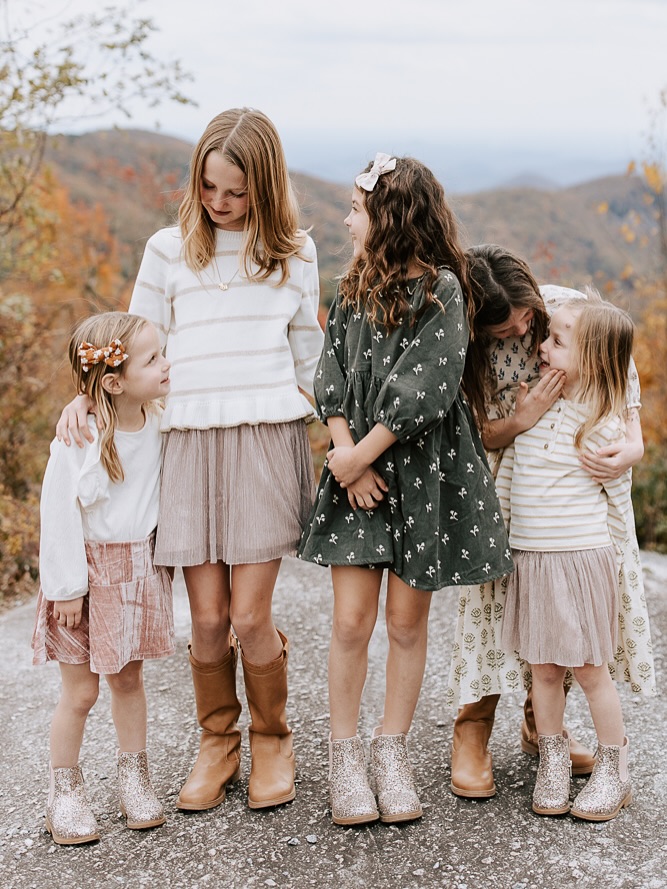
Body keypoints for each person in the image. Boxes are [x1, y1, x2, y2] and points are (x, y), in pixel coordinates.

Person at [55, 108, 324, 812]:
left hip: (264, 439)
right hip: (186, 444)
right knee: (205, 617)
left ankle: (272, 738)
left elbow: (310, 356)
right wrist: (87, 397)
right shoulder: (168, 249)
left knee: (250, 615)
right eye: (208, 186)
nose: (219, 202)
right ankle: (217, 741)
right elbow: (130, 345)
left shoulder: (295, 252)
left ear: (264, 185)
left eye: (236, 190)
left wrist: (349, 440)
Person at [298, 154, 514, 826]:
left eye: (355, 210)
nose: (346, 221)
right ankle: (344, 756)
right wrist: (346, 458)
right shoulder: (350, 289)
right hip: (357, 474)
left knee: (404, 623)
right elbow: (330, 374)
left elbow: (426, 388)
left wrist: (361, 454)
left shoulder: (444, 291)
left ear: (389, 219)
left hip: (419, 475)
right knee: (350, 622)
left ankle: (390, 751)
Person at [445, 244, 655, 799]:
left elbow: (618, 372)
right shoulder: (464, 342)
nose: (524, 334)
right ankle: (477, 730)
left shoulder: (565, 312)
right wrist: (522, 419)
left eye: (526, 318)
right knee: (506, 628)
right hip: (515, 509)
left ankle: (556, 737)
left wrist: (633, 443)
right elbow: (476, 436)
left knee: (576, 648)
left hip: (575, 528)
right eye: (505, 329)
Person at [499, 294, 648, 820]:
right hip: (533, 561)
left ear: (592, 360)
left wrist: (618, 571)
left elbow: (617, 504)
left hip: (581, 563)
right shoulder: (532, 406)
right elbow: (508, 479)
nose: (541, 346)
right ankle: (553, 758)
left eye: (557, 342)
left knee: (589, 670)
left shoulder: (602, 424)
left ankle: (615, 767)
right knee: (543, 670)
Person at [33, 312, 174, 845]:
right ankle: (64, 792)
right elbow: (58, 513)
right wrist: (67, 588)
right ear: (114, 383)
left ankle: (133, 778)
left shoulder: (160, 419)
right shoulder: (79, 436)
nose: (166, 365)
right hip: (84, 578)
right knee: (80, 693)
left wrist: (87, 392)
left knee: (128, 681)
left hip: (136, 572)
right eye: (153, 359)